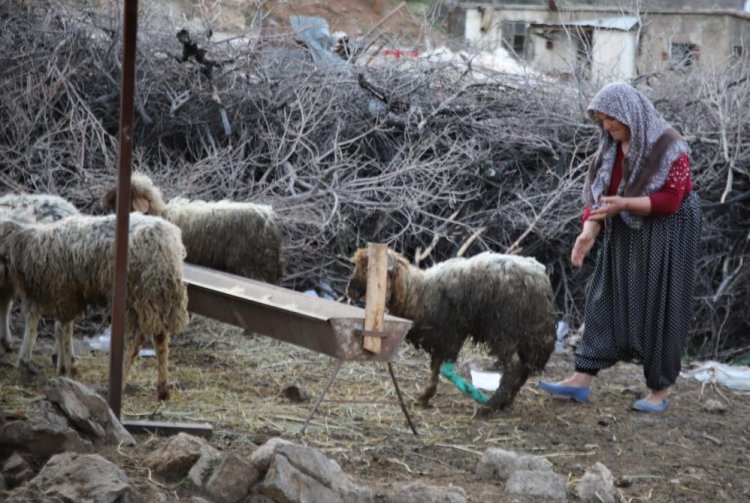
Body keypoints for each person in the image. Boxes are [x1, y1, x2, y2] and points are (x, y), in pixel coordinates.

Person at [538, 82, 702, 413]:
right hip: (626, 224)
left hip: (669, 230)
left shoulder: (670, 146)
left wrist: (622, 204)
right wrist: (589, 231)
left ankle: (660, 388)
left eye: (611, 119)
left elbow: (670, 201)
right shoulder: (609, 151)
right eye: (601, 121)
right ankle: (581, 379)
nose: (606, 127)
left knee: (661, 304)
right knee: (605, 294)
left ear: (630, 115)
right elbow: (597, 197)